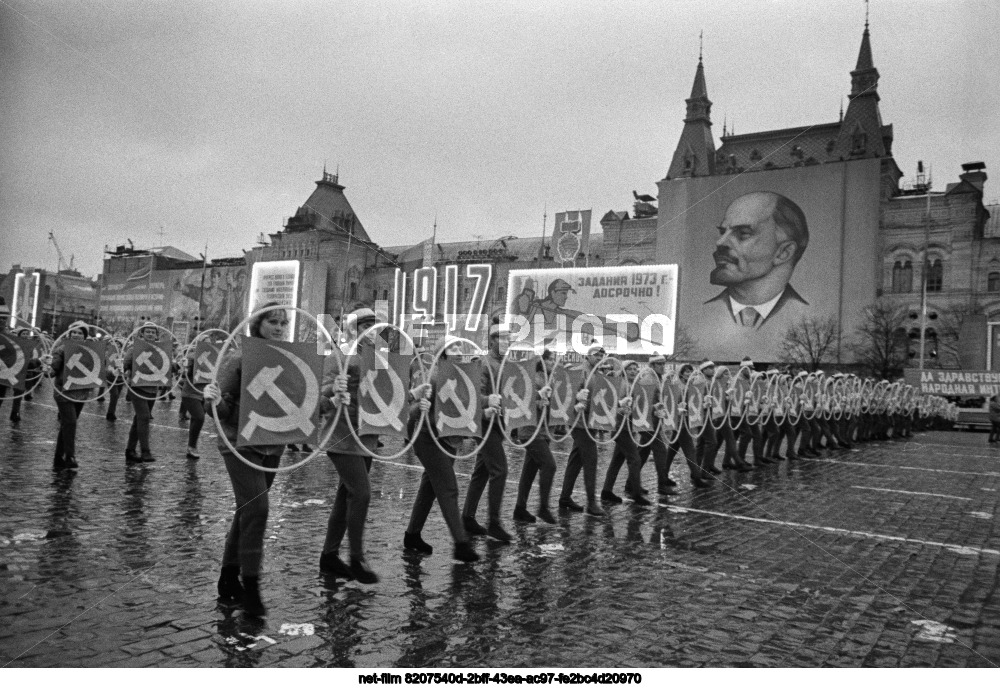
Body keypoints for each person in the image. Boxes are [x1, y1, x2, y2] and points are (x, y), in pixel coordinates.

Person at [203, 303, 290, 617]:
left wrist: (332, 396)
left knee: (247, 511)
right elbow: (217, 410)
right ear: (258, 325)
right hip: (240, 444)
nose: (279, 327)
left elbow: (300, 404)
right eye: (273, 322)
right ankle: (248, 584)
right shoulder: (239, 358)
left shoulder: (290, 361)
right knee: (258, 508)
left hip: (272, 446)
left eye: (283, 322)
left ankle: (228, 577)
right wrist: (212, 400)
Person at [317, 306, 381, 584]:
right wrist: (334, 389)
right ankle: (357, 557)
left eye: (374, 326)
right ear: (353, 329)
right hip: (341, 437)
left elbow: (390, 393)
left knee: (346, 497)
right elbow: (318, 396)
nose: (372, 331)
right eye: (366, 325)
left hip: (366, 436)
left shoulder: (378, 359)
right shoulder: (337, 356)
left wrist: (416, 393)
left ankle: (329, 556)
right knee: (361, 494)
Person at [402, 337, 480, 563]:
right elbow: (413, 409)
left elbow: (469, 404)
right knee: (449, 489)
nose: (458, 351)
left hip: (449, 441)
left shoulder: (460, 375)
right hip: (430, 441)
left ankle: (412, 535)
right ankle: (461, 544)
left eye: (459, 346)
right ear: (442, 354)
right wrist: (419, 408)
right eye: (452, 348)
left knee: (429, 489)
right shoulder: (435, 377)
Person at [705, 191, 809, 329]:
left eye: (743, 234)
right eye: (723, 232)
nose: (720, 242)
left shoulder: (808, 321)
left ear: (784, 252)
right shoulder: (699, 315)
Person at [462, 324, 512, 543]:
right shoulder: (484, 363)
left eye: (509, 339)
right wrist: (487, 406)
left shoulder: (505, 364)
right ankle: (494, 523)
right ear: (492, 340)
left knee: (481, 471)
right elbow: (474, 395)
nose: (507, 343)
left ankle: (467, 516)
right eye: (503, 339)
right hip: (485, 425)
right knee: (499, 470)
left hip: (498, 424)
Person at [558, 343, 609, 517]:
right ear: (588, 356)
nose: (600, 358)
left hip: (590, 422)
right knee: (591, 460)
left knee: (576, 460)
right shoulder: (581, 371)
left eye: (602, 355)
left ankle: (565, 497)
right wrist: (576, 401)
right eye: (596, 355)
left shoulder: (597, 373)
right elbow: (568, 392)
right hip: (580, 423)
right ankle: (592, 502)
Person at [512, 350, 558, 523]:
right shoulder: (532, 377)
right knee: (550, 465)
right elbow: (523, 400)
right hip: (530, 431)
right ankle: (543, 507)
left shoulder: (549, 378)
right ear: (542, 360)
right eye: (549, 359)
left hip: (543, 431)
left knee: (529, 471)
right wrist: (539, 401)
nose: (552, 362)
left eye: (553, 359)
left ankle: (519, 509)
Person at [600, 360, 650, 506]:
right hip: (621, 427)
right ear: (624, 371)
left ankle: (606, 490)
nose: (633, 371)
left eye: (635, 369)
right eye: (630, 369)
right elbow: (612, 403)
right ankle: (636, 493)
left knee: (617, 460)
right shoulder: (622, 384)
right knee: (635, 459)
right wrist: (621, 407)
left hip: (629, 426)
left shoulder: (635, 384)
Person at [46, 324, 93, 471]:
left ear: (85, 336)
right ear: (69, 333)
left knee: (67, 425)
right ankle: (70, 456)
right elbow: (53, 370)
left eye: (79, 333)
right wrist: (47, 367)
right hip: (63, 392)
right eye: (73, 332)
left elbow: (99, 371)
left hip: (81, 393)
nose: (76, 335)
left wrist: (116, 370)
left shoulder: (91, 351)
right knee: (70, 422)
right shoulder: (61, 349)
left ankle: (58, 458)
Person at [123, 324, 165, 464]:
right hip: (137, 387)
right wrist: (122, 368)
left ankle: (130, 450)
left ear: (156, 334)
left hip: (152, 388)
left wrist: (180, 365)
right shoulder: (134, 347)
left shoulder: (161, 349)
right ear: (142, 333)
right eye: (148, 331)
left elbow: (168, 367)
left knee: (139, 420)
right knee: (144, 417)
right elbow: (125, 363)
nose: (150, 334)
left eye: (153, 331)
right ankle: (145, 451)